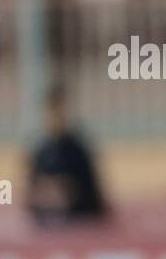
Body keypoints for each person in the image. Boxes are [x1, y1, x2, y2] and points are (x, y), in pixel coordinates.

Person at [26, 82, 108, 227]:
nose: (57, 116)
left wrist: (70, 192)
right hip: (48, 230)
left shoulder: (79, 150)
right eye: (52, 110)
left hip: (78, 227)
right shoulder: (40, 152)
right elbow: (30, 199)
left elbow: (95, 201)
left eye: (61, 110)